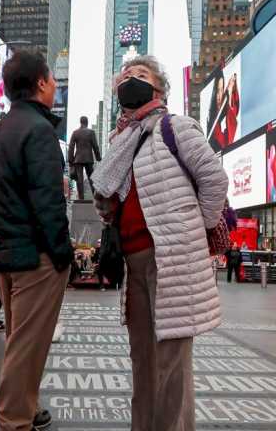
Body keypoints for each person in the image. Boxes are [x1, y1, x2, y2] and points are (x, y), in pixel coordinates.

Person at [91, 55, 228, 431]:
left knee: (171, 363)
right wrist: (107, 208)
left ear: (159, 89)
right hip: (133, 260)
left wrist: (193, 230)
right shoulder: (119, 141)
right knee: (143, 361)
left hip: (172, 259)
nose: (130, 79)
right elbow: (114, 200)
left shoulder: (175, 127)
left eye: (141, 74)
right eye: (126, 75)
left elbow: (215, 180)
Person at [0, 50, 73, 431]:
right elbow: (48, 200)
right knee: (28, 344)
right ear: (39, 84)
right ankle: (13, 420)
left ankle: (26, 407)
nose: (54, 87)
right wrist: (63, 254)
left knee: (19, 339)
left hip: (6, 254)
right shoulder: (40, 131)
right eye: (51, 80)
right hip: (37, 256)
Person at [67, 116, 101, 201]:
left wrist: (71, 161)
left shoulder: (75, 133)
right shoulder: (91, 132)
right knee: (91, 178)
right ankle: (95, 197)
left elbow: (71, 147)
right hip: (88, 158)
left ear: (80, 122)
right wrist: (98, 158)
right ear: (87, 122)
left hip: (78, 159)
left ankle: (81, 198)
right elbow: (95, 146)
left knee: (79, 179)